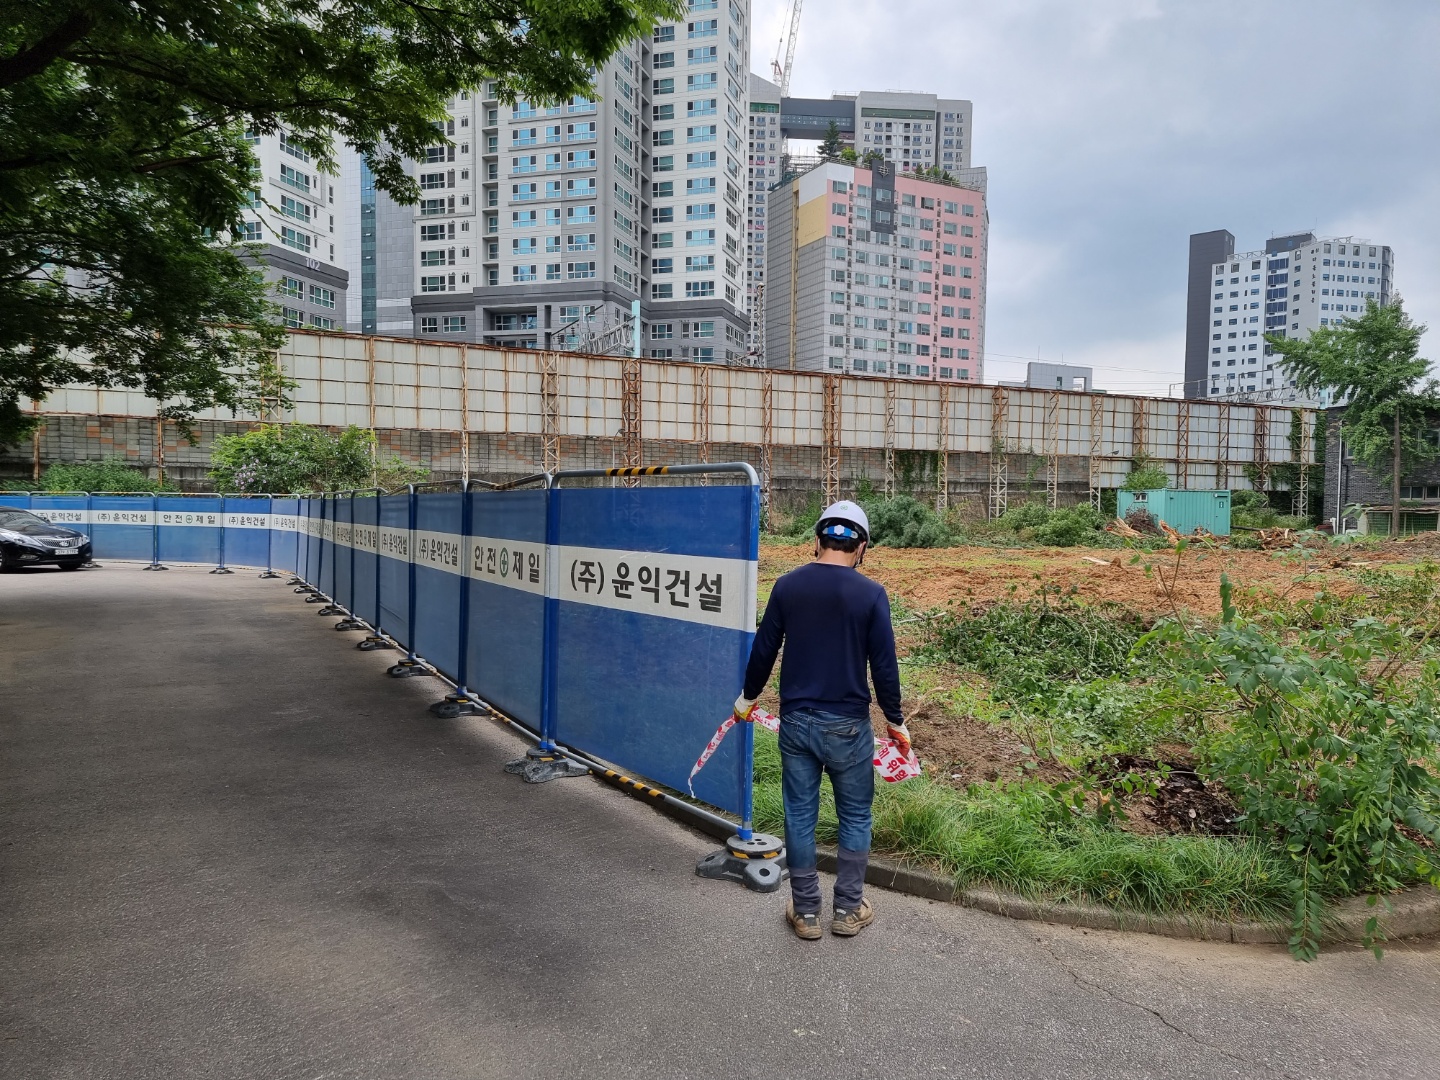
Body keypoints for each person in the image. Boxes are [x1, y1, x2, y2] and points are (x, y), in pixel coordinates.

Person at [733, 500, 910, 940]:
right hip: (849, 727)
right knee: (854, 815)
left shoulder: (788, 586)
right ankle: (848, 909)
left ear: (817, 540)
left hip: (796, 723)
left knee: (798, 813)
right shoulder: (871, 595)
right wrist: (895, 721)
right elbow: (884, 668)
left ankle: (807, 911)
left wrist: (747, 699)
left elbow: (763, 651)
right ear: (862, 546)